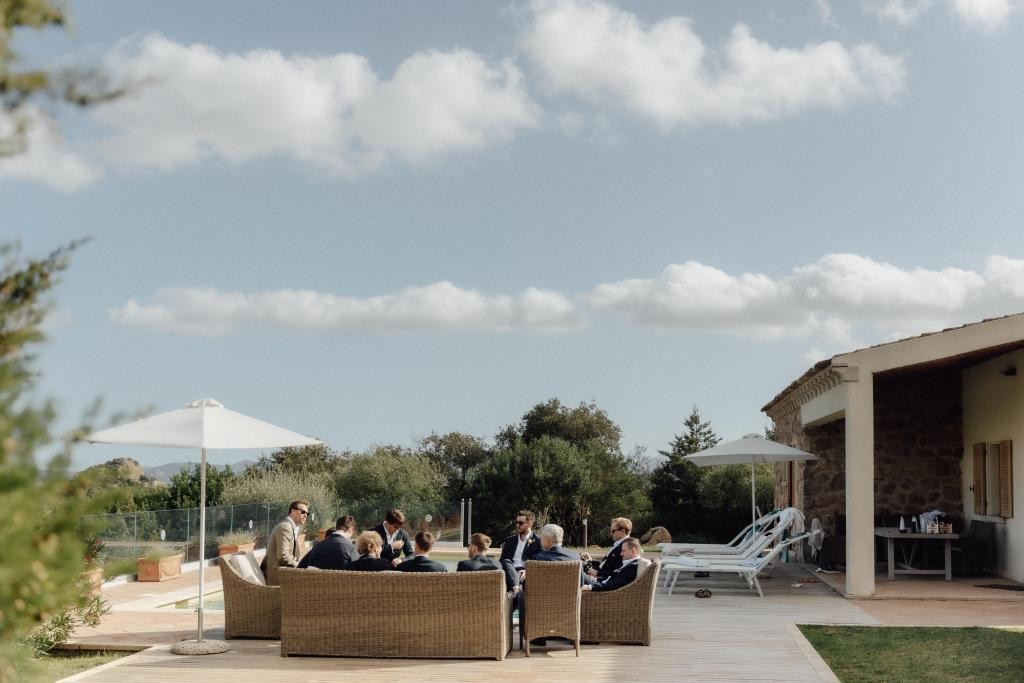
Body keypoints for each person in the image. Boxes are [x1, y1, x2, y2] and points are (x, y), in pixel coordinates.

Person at [261, 499, 308, 585]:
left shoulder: (291, 528)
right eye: (303, 512)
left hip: (284, 573)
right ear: (293, 512)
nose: (305, 515)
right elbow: (283, 556)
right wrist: (299, 566)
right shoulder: (285, 527)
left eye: (307, 513)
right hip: (276, 577)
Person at [499, 509, 541, 591]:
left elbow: (540, 560)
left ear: (530, 524)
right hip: (510, 570)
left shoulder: (538, 541)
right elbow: (502, 560)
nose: (518, 525)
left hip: (526, 572)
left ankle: (515, 589)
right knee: (506, 561)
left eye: (521, 523)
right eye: (516, 522)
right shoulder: (509, 540)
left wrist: (529, 570)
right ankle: (516, 587)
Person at [580, 517, 632, 583]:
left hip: (601, 580)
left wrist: (593, 572)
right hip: (598, 573)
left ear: (623, 531)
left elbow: (615, 573)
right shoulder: (619, 545)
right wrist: (591, 560)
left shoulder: (625, 548)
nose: (611, 533)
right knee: (578, 564)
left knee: (576, 574)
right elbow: (606, 565)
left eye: (613, 531)